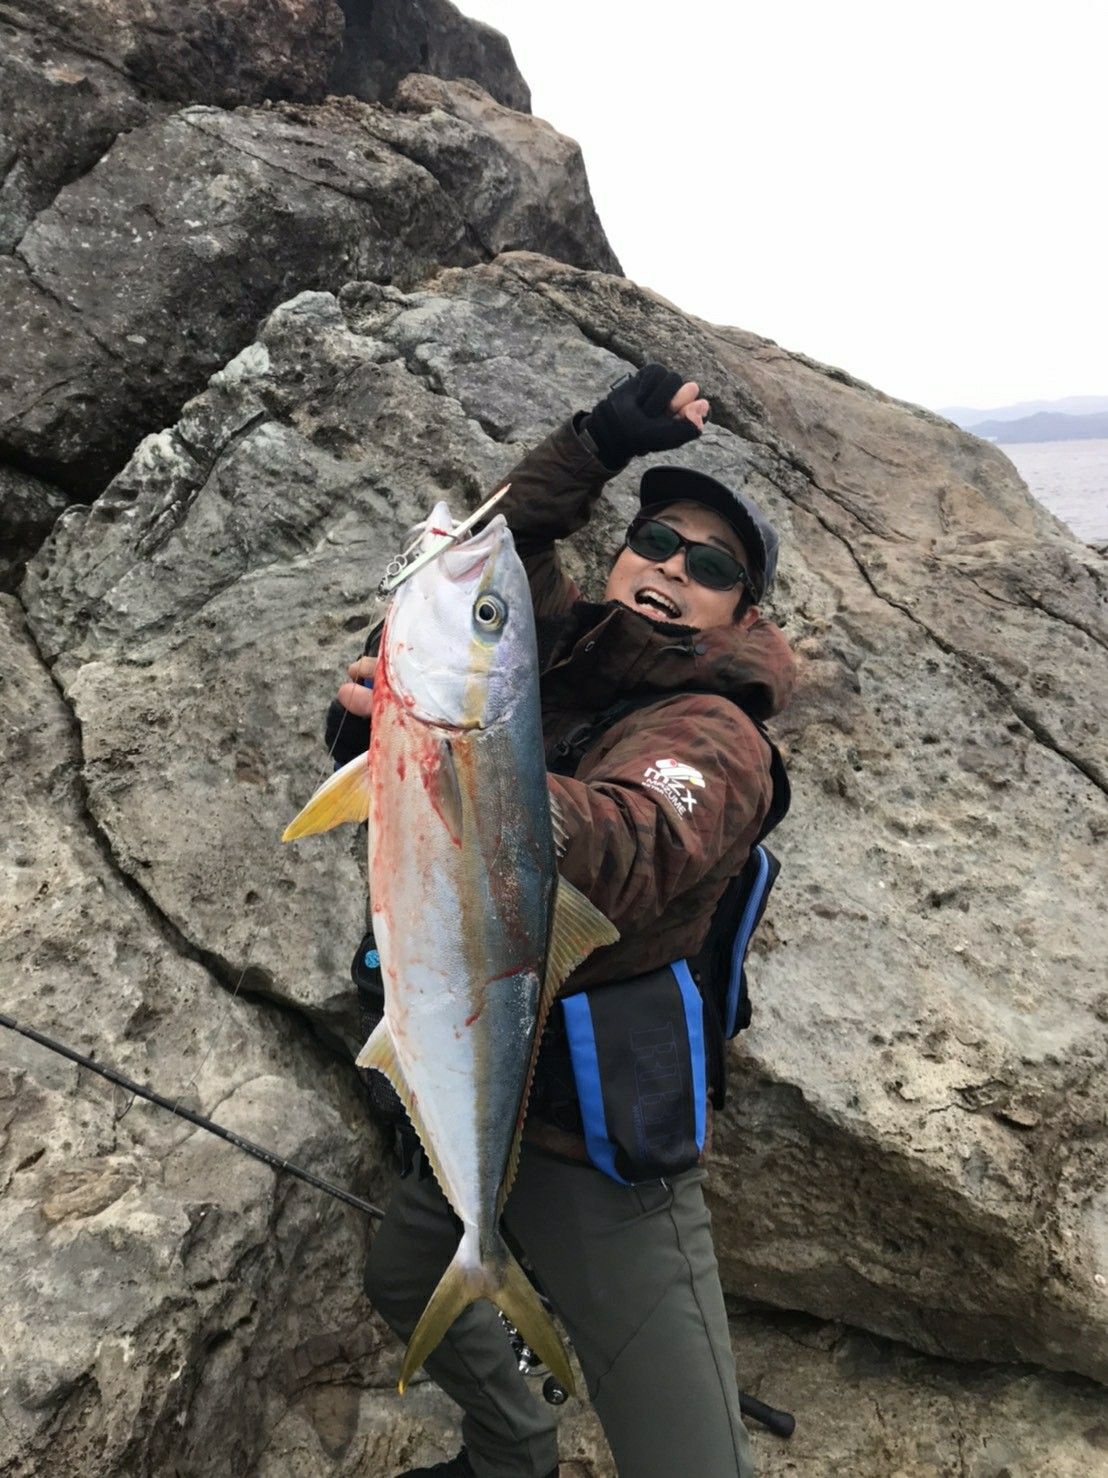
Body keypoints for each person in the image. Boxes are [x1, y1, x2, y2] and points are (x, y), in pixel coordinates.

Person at [328, 365, 796, 1478]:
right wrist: (592, 443)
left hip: (596, 1144)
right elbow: (484, 554)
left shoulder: (719, 735)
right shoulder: (553, 647)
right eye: (657, 543)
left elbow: (633, 837)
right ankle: (514, 1447)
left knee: (692, 1463)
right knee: (405, 1273)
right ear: (621, 554)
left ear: (742, 613)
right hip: (478, 1080)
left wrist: (450, 765)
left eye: (713, 567)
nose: (673, 571)